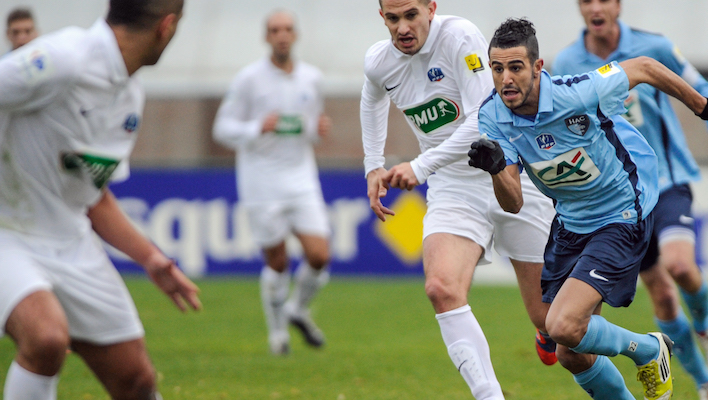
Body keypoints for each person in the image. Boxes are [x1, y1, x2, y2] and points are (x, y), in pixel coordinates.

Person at [468, 18, 708, 400]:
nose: (506, 79)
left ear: (538, 68)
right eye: (497, 68)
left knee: (562, 326)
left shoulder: (578, 92)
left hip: (622, 213)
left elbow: (645, 67)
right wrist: (494, 169)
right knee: (572, 353)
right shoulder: (492, 116)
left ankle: (651, 349)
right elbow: (514, 201)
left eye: (516, 67)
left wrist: (705, 108)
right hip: (571, 222)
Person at [0, 1, 200, 399]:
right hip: (8, 233)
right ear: (167, 26)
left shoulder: (130, 96)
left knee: (136, 381)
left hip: (71, 242)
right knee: (46, 339)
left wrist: (151, 258)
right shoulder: (62, 58)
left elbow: (93, 198)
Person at [361, 1, 555, 398]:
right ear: (382, 17)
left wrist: (420, 166)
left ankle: (634, 347)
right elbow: (372, 99)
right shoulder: (379, 61)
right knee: (441, 287)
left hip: (508, 171)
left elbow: (483, 120)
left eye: (411, 15)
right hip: (453, 186)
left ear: (432, 8)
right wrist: (373, 166)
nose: (402, 28)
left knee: (554, 322)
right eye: (392, 18)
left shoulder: (459, 37)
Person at [550, 1, 708, 398]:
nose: (595, 7)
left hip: (665, 180)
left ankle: (703, 325)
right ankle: (705, 380)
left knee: (681, 266)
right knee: (665, 297)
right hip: (619, 198)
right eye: (586, 0)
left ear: (618, 5)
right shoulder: (567, 61)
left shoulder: (655, 47)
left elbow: (701, 89)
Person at [213, 10, 332, 356]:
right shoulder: (248, 79)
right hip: (261, 180)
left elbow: (308, 127)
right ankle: (278, 333)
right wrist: (256, 127)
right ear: (266, 37)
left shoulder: (312, 78)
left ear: (296, 35)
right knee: (277, 261)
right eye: (275, 30)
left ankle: (297, 309)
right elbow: (222, 128)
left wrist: (317, 130)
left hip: (301, 176)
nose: (282, 35)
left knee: (319, 255)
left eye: (287, 29)